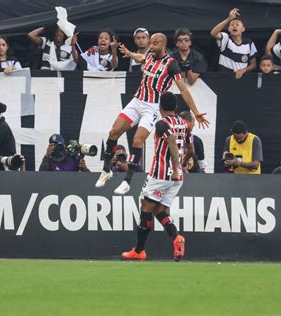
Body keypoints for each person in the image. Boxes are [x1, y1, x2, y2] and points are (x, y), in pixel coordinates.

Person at [96, 33, 209, 195]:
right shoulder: (149, 54)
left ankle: (127, 181)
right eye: (151, 43)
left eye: (154, 44)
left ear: (162, 45)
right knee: (113, 132)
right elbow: (141, 58)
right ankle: (106, 170)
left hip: (153, 107)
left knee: (137, 140)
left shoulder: (171, 65)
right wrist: (130, 54)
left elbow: (183, 89)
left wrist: (196, 112)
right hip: (137, 101)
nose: (152, 46)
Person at [121, 92, 187, 261]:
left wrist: (174, 167)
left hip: (161, 174)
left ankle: (139, 250)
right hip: (176, 178)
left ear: (160, 107)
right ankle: (176, 237)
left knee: (145, 209)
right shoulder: (184, 123)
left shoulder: (161, 124)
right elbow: (187, 146)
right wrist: (180, 166)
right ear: (176, 107)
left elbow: (171, 141)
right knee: (159, 210)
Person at [210, 8, 257, 78]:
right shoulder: (226, 38)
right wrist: (228, 19)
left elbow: (254, 64)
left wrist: (244, 70)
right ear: (229, 29)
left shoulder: (249, 43)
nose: (234, 26)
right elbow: (213, 33)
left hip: (242, 80)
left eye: (237, 25)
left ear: (243, 29)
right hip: (224, 79)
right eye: (232, 25)